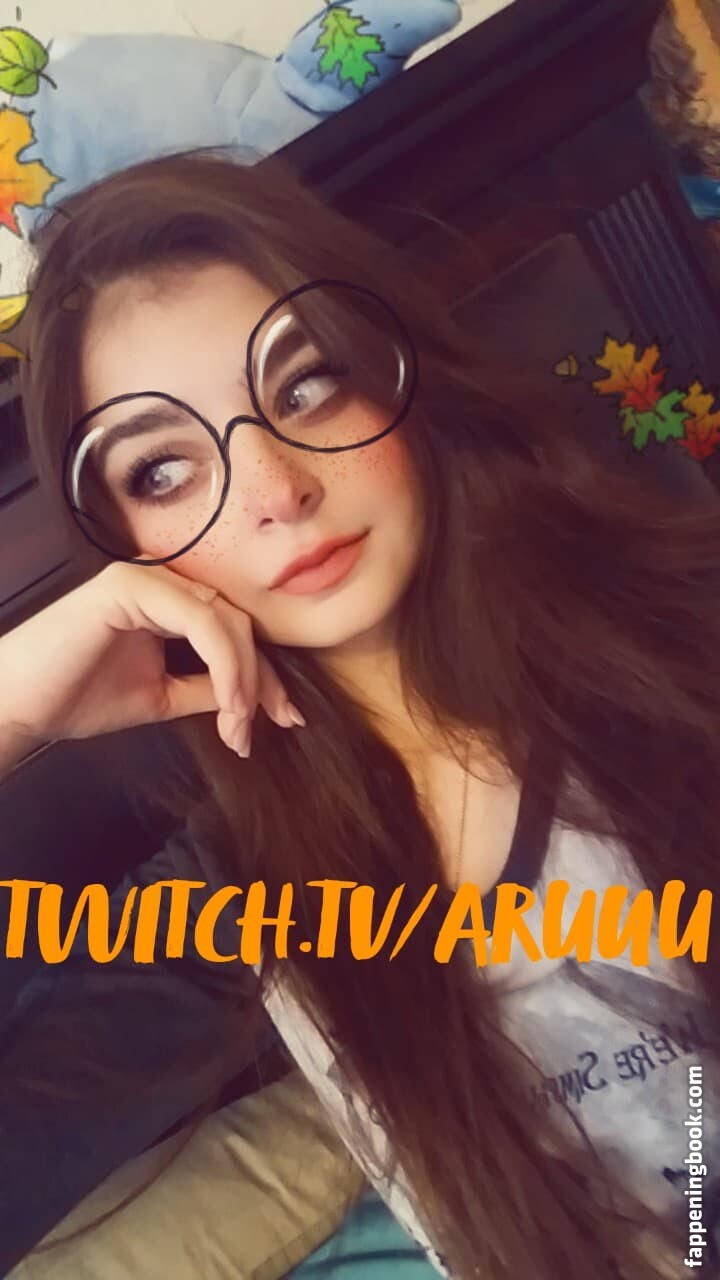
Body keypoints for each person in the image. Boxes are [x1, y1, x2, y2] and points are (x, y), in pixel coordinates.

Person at [1, 146, 720, 1280]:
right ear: (126, 549)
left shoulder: (685, 635)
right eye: (163, 472)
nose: (275, 488)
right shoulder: (236, 896)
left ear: (394, 376)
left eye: (303, 387)